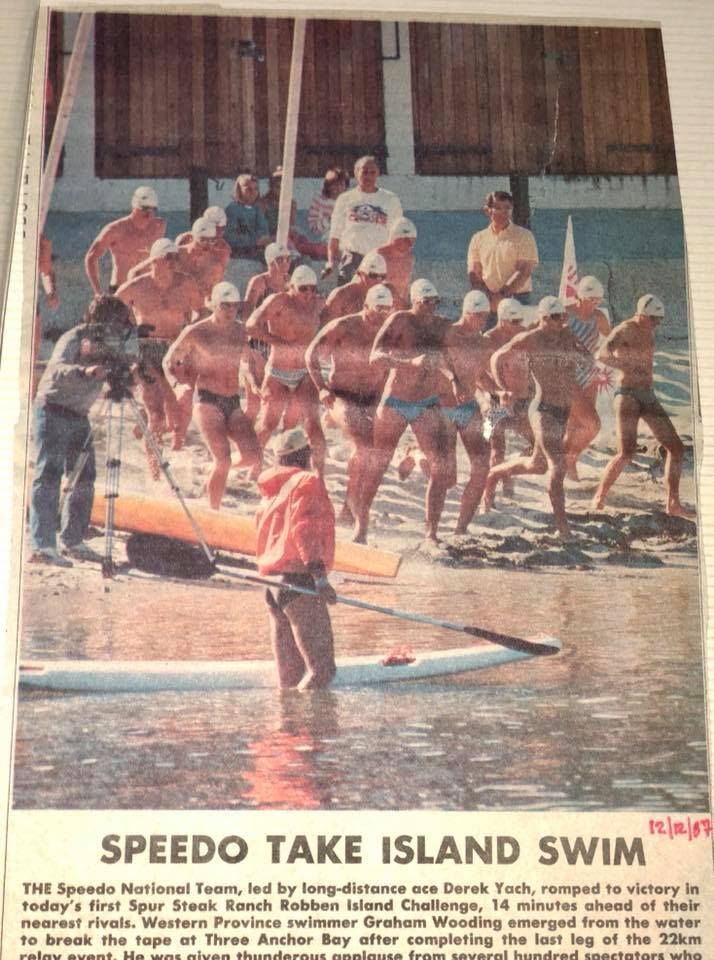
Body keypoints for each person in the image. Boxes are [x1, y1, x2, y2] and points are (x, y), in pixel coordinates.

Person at [354, 279, 467, 544]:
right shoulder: (400, 320)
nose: (430, 307)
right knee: (379, 463)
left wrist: (454, 379)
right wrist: (410, 363)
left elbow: (446, 356)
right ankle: (361, 528)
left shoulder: (441, 325)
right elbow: (375, 357)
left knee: (440, 468)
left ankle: (431, 532)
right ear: (414, 302)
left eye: (435, 302)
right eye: (425, 302)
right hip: (396, 400)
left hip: (426, 403)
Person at [29, 296, 131, 566]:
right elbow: (57, 370)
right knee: (49, 474)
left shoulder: (112, 344)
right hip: (53, 409)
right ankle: (43, 546)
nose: (119, 328)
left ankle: (73, 539)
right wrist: (85, 371)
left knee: (85, 477)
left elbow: (123, 370)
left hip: (79, 415)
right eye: (117, 322)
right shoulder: (74, 337)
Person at [482, 295, 590, 538]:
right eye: (556, 317)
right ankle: (563, 528)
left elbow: (587, 358)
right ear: (543, 318)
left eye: (563, 317)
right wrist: (502, 389)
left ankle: (494, 475)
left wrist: (580, 354)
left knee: (537, 465)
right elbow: (497, 357)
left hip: (563, 411)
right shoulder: (531, 338)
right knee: (557, 466)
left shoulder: (567, 335)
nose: (561, 322)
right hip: (542, 410)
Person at [591, 294, 695, 519]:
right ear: (642, 315)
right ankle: (600, 495)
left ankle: (673, 503)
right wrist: (624, 365)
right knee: (626, 452)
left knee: (676, 448)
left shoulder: (650, 331)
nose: (658, 323)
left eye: (660, 319)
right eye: (654, 318)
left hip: (647, 395)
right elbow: (601, 353)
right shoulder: (625, 329)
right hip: (627, 395)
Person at [163, 282, 260, 509]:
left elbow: (247, 361)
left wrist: (254, 384)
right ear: (214, 305)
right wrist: (178, 385)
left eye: (234, 306)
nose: (230, 310)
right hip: (207, 400)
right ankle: (213, 510)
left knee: (253, 456)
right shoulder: (197, 331)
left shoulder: (240, 331)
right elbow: (168, 361)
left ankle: (213, 472)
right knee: (223, 460)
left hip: (233, 400)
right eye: (225, 305)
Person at [255, 426, 337, 690]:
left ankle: (288, 717)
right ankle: (314, 717)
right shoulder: (307, 482)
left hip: (271, 584)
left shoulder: (271, 490)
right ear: (306, 454)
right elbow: (304, 531)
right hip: (298, 581)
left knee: (288, 680)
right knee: (322, 671)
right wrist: (320, 579)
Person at [306, 283, 395, 525]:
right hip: (341, 396)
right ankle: (347, 509)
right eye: (378, 308)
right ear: (365, 306)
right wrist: (322, 388)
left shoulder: (390, 331)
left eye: (387, 309)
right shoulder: (344, 326)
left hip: (371, 399)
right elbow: (310, 354)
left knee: (378, 453)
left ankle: (353, 504)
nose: (383, 313)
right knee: (363, 447)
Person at [116, 238, 203, 465]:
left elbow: (201, 312)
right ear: (154, 260)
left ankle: (161, 433)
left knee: (179, 408)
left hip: (176, 349)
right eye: (168, 258)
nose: (173, 262)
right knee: (157, 414)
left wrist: (191, 334)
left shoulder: (187, 283)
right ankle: (154, 471)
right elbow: (109, 309)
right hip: (148, 349)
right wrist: (126, 333)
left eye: (175, 257)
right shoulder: (138, 286)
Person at [245, 265, 327, 475]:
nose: (308, 293)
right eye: (303, 288)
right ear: (291, 286)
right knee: (268, 424)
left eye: (312, 288)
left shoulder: (318, 304)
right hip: (278, 372)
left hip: (304, 374)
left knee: (312, 424)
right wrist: (277, 342)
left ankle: (319, 476)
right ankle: (254, 466)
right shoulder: (278, 301)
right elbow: (251, 325)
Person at [480, 296, 534, 510]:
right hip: (495, 402)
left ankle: (507, 471)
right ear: (502, 320)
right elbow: (479, 375)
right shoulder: (488, 340)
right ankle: (488, 498)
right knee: (495, 450)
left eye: (521, 320)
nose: (519, 325)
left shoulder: (523, 335)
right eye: (514, 321)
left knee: (539, 444)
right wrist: (499, 393)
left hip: (521, 401)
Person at [324, 155, 403, 285]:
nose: (368, 176)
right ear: (356, 173)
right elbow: (334, 235)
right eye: (365, 172)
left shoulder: (391, 199)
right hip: (351, 259)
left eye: (372, 172)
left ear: (378, 174)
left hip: (380, 260)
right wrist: (331, 262)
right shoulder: (344, 199)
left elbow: (397, 237)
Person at [563, 275, 611, 480]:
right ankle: (568, 459)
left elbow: (612, 341)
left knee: (577, 425)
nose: (595, 304)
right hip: (567, 376)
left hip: (589, 375)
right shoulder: (565, 314)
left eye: (599, 300)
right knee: (592, 424)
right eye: (592, 300)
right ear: (580, 297)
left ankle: (567, 465)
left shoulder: (599, 317)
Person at [466, 190, 539, 325]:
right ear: (487, 210)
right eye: (498, 208)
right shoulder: (478, 238)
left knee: (518, 338)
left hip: (517, 299)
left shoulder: (524, 236)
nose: (504, 212)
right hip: (486, 301)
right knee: (487, 338)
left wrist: (501, 296)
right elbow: (474, 273)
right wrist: (488, 297)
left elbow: (524, 270)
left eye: (507, 208)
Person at [243, 242, 292, 425]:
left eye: (288, 259)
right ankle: (244, 432)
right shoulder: (259, 282)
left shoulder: (290, 283)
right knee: (254, 399)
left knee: (278, 397)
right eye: (281, 260)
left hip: (278, 343)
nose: (286, 263)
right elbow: (247, 311)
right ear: (271, 262)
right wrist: (245, 344)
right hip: (258, 341)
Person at [84, 186, 166, 295]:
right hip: (120, 291)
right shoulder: (115, 230)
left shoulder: (158, 226)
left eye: (153, 210)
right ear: (134, 207)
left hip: (147, 292)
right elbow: (91, 257)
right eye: (145, 210)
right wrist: (98, 293)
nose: (149, 216)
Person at [321, 250, 388, 323]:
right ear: (361, 273)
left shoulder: (381, 296)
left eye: (382, 276)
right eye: (373, 275)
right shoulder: (340, 296)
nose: (378, 280)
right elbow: (325, 325)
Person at [224, 173, 271, 260]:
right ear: (239, 190)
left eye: (256, 189)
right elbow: (229, 237)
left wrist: (262, 239)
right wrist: (254, 240)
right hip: (239, 253)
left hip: (257, 250)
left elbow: (264, 230)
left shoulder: (257, 208)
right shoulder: (233, 209)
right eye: (248, 189)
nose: (253, 192)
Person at [306, 167, 350, 253]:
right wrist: (330, 219)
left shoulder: (350, 201)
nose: (338, 188)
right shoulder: (319, 200)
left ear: (346, 187)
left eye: (341, 184)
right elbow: (313, 228)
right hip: (327, 236)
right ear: (328, 186)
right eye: (334, 184)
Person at [376, 216, 418, 308]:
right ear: (395, 237)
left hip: (398, 307)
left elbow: (406, 288)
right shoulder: (378, 255)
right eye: (407, 240)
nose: (410, 245)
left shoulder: (409, 258)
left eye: (413, 241)